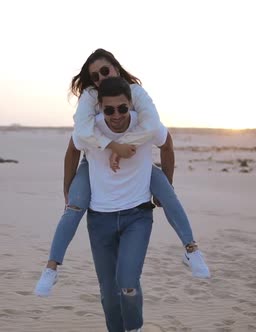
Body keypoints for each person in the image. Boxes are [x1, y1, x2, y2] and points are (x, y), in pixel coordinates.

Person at [34, 49, 209, 298]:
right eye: (95, 76)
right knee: (73, 207)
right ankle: (52, 268)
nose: (101, 78)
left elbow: (152, 125)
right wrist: (111, 147)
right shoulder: (90, 96)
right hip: (92, 161)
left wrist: (128, 147)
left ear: (116, 67)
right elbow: (80, 137)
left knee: (168, 194)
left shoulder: (134, 93)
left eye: (106, 70)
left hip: (136, 161)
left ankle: (191, 249)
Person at [76, 77, 167, 331]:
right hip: (99, 218)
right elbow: (73, 148)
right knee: (107, 291)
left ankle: (134, 327)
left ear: (130, 104)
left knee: (127, 281)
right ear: (100, 107)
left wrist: (165, 185)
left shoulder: (144, 124)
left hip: (136, 214)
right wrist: (69, 193)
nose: (116, 115)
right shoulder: (90, 128)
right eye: (109, 109)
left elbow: (166, 142)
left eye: (122, 108)